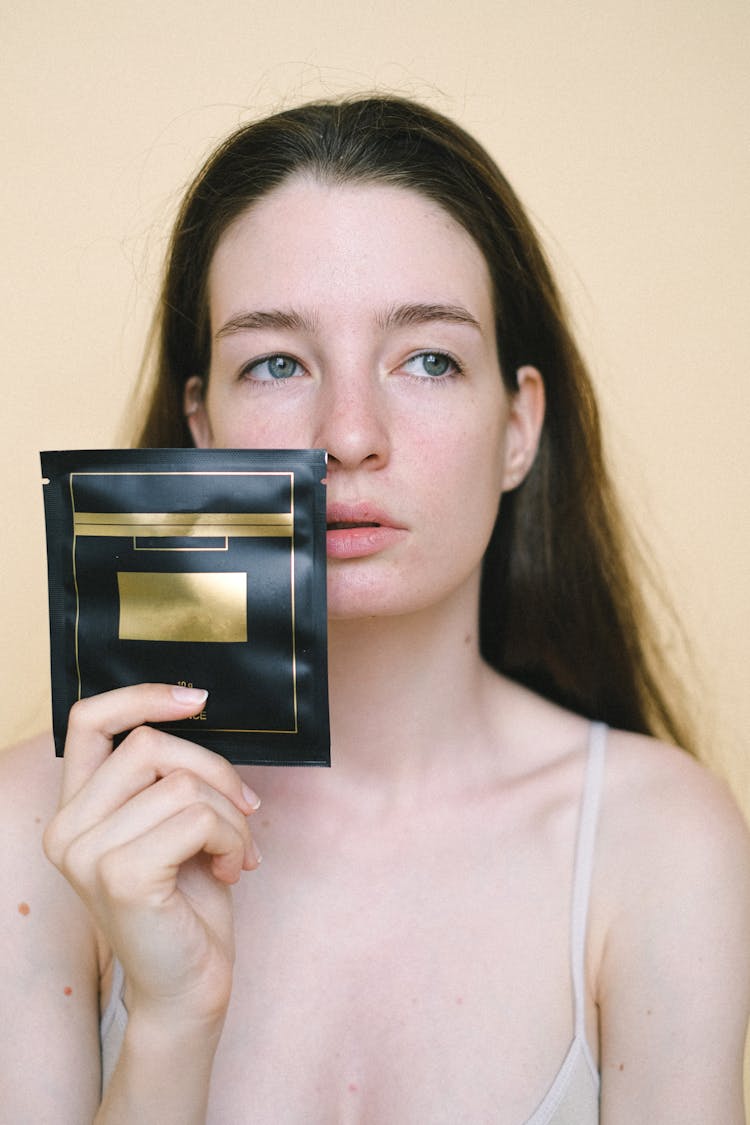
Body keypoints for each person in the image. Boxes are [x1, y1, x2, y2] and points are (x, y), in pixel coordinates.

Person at [1, 95, 749, 1123]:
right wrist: (172, 1022)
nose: (349, 435)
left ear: (520, 425)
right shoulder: (39, 827)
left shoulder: (663, 842)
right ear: (202, 422)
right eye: (275, 361)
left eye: (429, 359)